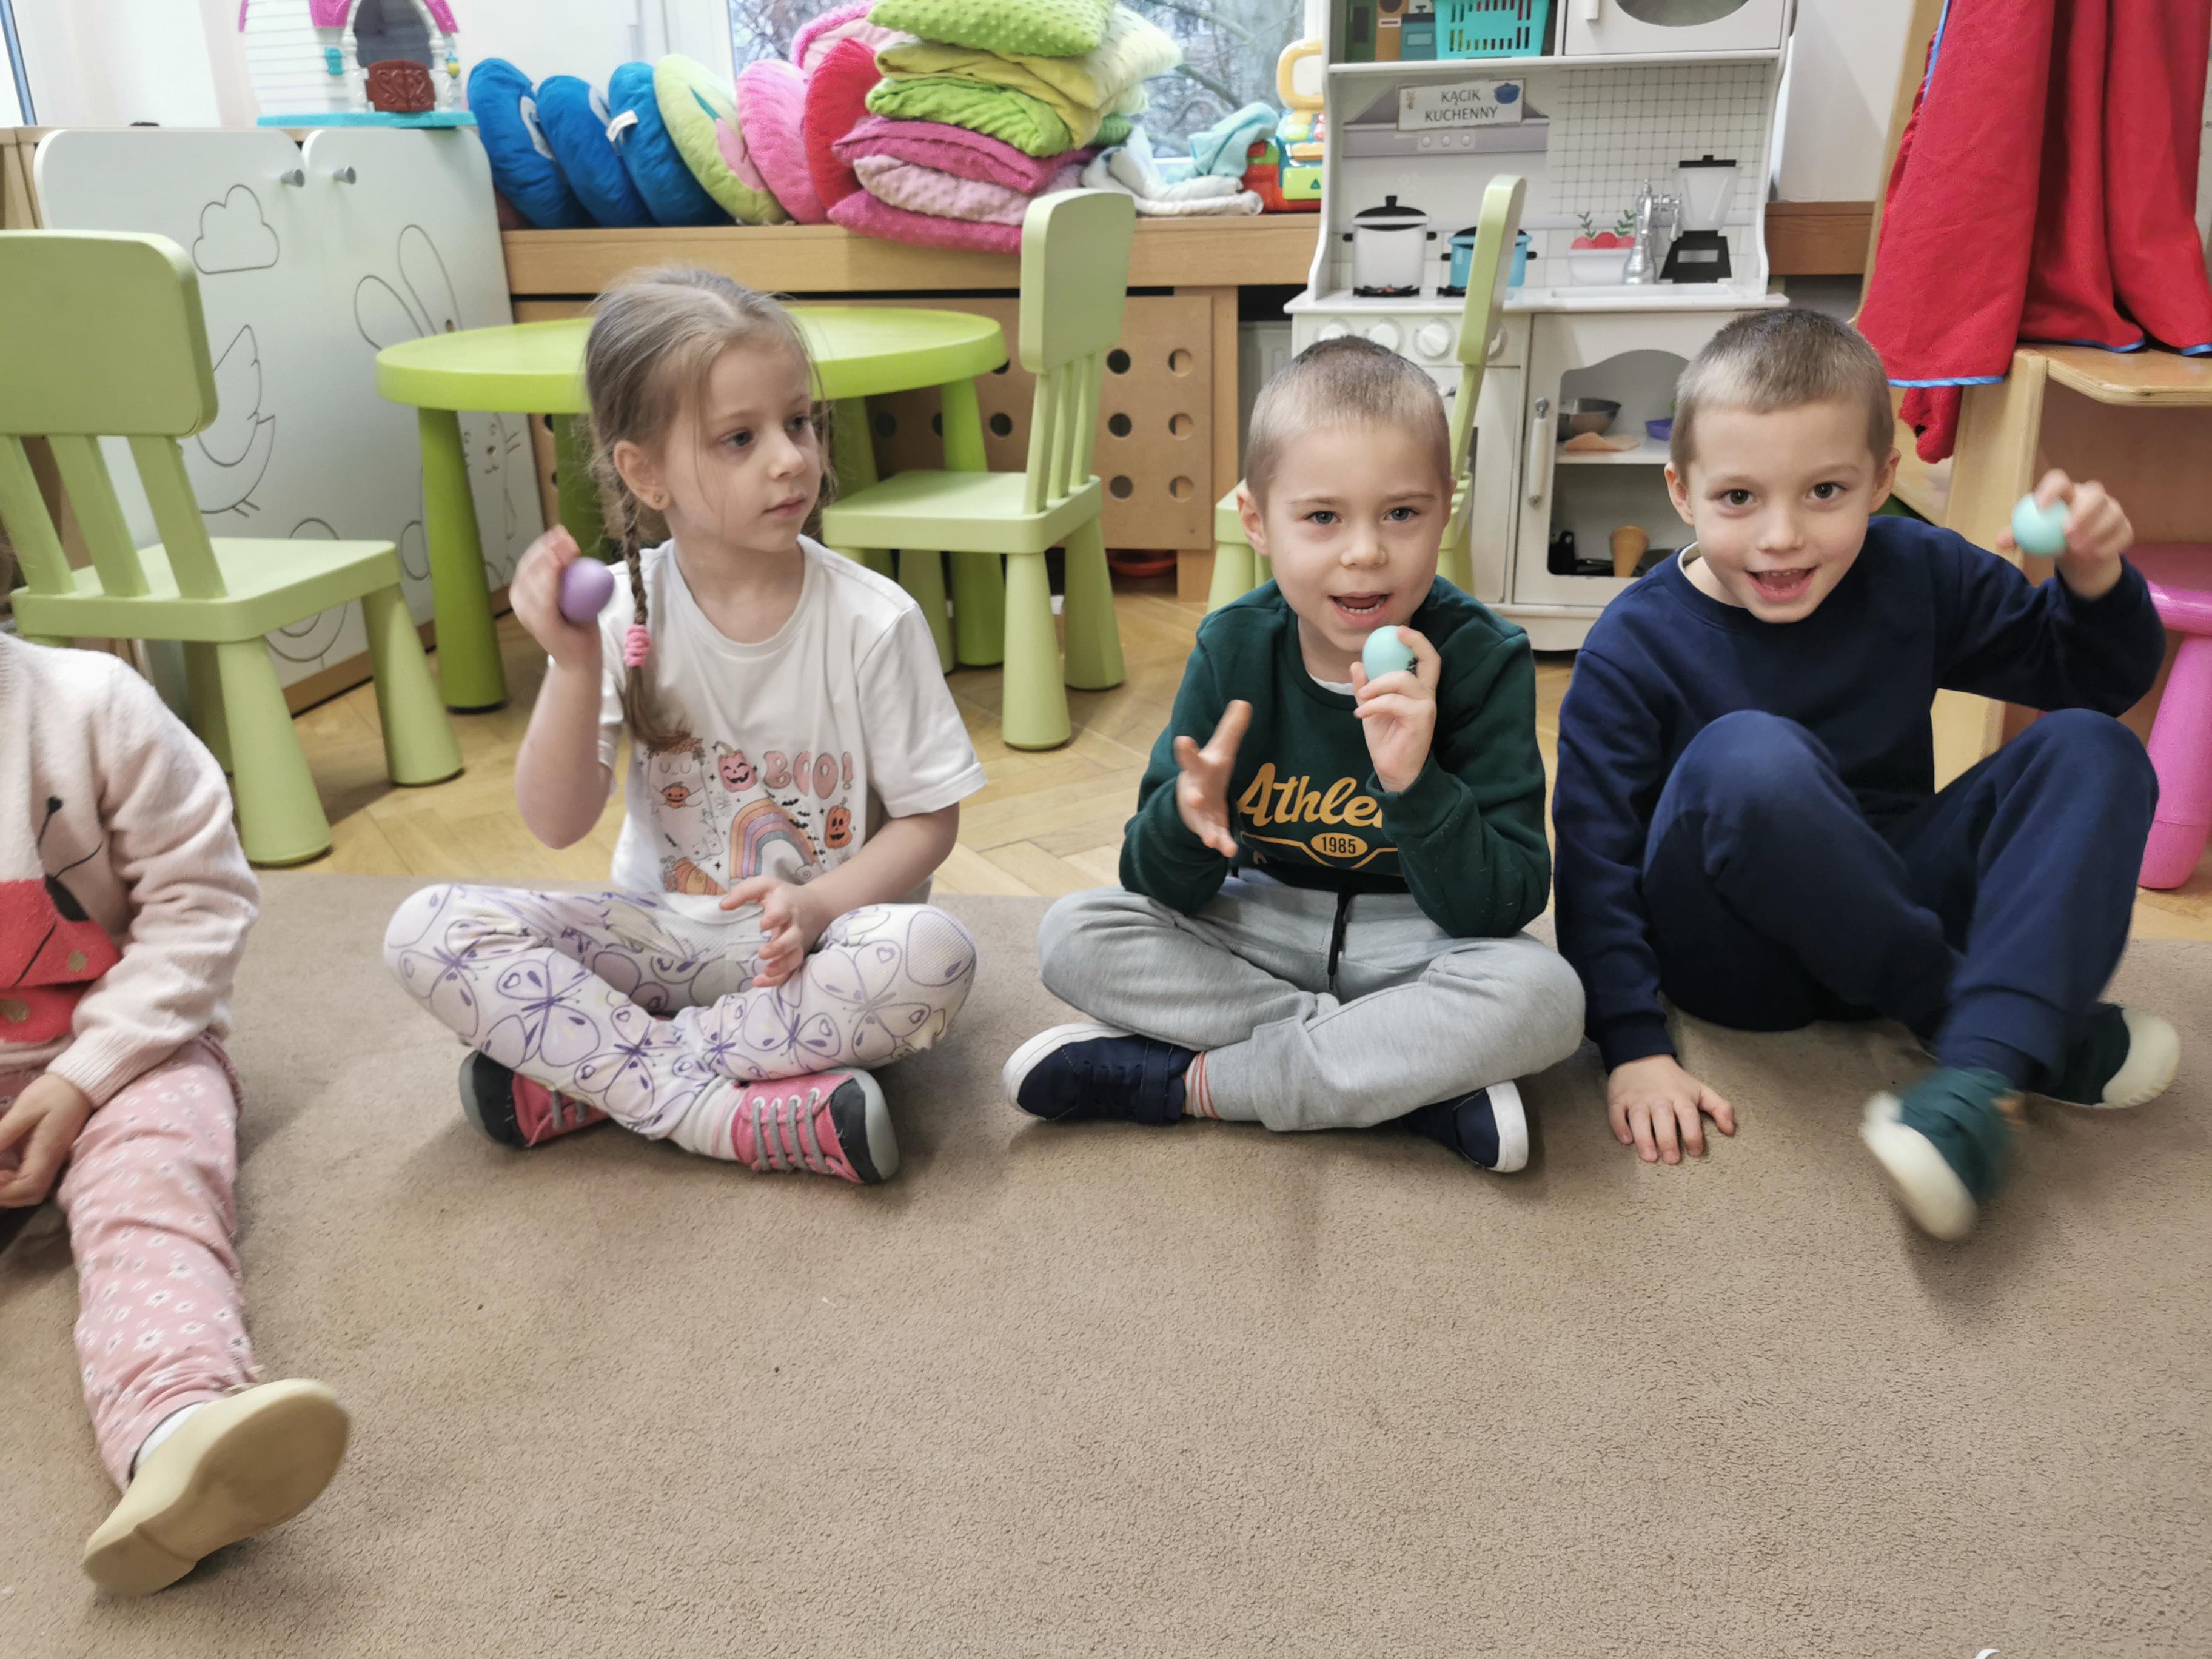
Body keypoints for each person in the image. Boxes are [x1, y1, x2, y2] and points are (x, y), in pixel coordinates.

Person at [1552, 307, 2174, 1240]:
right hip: (1738, 955)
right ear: (1682, 492)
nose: (1783, 536)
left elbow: (2090, 681)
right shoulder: (1632, 645)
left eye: (1825, 492)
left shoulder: (1919, 568)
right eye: (1739, 499)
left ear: (1883, 480)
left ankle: (1979, 1072)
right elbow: (1594, 860)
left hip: (1895, 895)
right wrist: (1631, 1043)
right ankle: (1992, 1034)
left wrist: (2093, 581)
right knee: (1747, 755)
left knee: (2095, 746)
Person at [384, 270, 983, 1185]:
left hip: (819, 951)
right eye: (740, 438)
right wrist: (574, 666)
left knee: (934, 956)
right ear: (645, 473)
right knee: (425, 929)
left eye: (800, 422)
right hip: (660, 942)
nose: (789, 459)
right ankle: (716, 1110)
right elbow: (556, 822)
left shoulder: (874, 619)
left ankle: (601, 1075)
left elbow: (929, 823)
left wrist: (819, 904)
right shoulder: (624, 616)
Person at [1004, 337, 1584, 1169]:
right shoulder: (1233, 647)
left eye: (1402, 514)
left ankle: (1195, 1085)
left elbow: (1503, 905)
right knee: (1074, 933)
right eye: (1322, 517)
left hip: (1414, 941)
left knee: (1548, 999)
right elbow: (1152, 884)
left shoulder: (1485, 657)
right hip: (1261, 926)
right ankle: (1404, 1080)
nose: (1365, 552)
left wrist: (1415, 784)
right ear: (1257, 522)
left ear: (1445, 513)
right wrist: (1187, 821)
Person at [1, 630, 347, 1594]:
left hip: (123, 1055)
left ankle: (174, 1427)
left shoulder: (91, 705)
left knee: (149, 1196)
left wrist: (85, 1076)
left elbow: (202, 903)